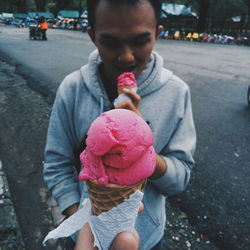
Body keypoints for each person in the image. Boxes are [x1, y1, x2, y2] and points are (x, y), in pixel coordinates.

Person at [43, 0, 196, 249]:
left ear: (158, 33)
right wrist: (83, 223)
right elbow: (55, 165)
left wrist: (144, 152)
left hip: (147, 240)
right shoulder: (72, 89)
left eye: (140, 41)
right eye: (111, 42)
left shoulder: (176, 93)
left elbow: (180, 179)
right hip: (82, 238)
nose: (126, 57)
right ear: (92, 36)